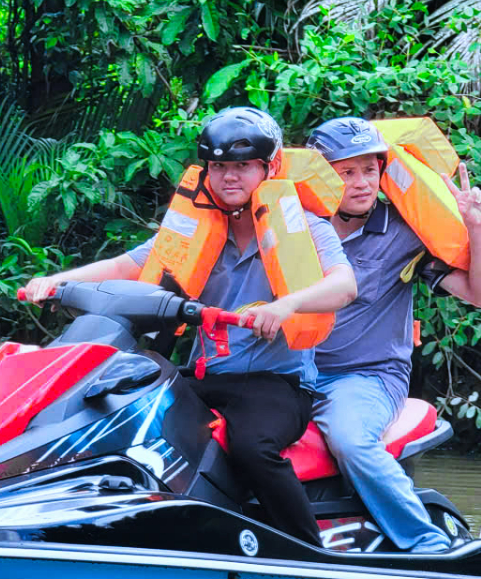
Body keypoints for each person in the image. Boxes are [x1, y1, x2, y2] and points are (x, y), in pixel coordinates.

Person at [24, 107, 357, 544]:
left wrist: (286, 306)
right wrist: (56, 280)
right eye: (219, 167)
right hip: (203, 376)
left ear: (269, 167)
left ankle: (308, 550)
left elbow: (345, 285)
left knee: (251, 448)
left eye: (242, 166)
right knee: (112, 407)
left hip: (277, 384)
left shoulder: (306, 227)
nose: (230, 177)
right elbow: (128, 265)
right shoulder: (193, 227)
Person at [305, 116, 481, 553]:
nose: (360, 183)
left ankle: (429, 546)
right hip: (288, 372)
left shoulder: (404, 234)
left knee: (352, 442)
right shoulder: (292, 226)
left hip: (364, 376)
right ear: (318, 175)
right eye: (346, 172)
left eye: (369, 170)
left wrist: (475, 228)